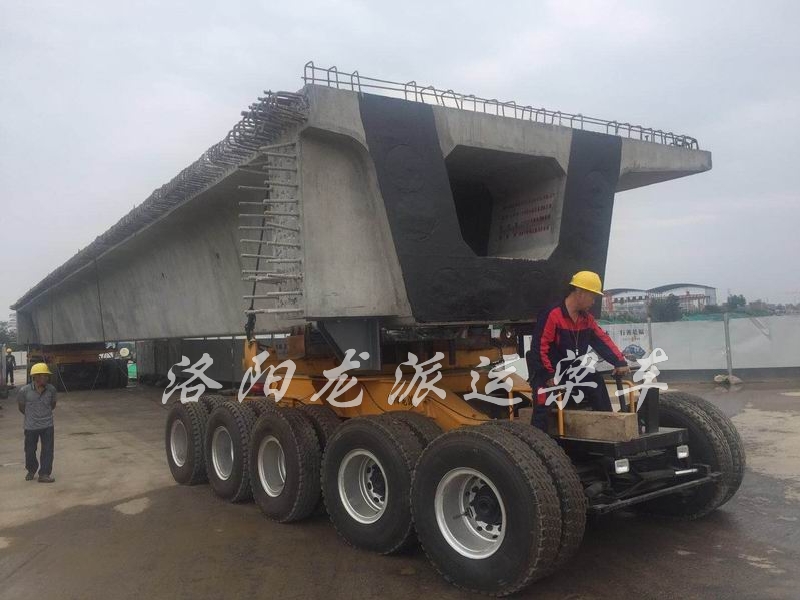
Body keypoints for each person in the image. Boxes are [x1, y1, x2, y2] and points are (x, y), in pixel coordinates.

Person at [528, 271, 630, 432]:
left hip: (571, 371)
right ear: (580, 292)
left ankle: (608, 428)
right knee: (543, 406)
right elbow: (539, 347)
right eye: (592, 296)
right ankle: (537, 440)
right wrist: (548, 375)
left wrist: (619, 361)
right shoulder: (553, 314)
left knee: (595, 380)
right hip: (547, 372)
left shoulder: (586, 319)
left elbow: (602, 340)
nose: (594, 302)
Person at [17, 363, 57, 483]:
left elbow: (52, 405)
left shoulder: (51, 390)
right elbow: (21, 407)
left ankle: (44, 474)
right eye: (44, 375)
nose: (46, 378)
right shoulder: (24, 391)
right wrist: (32, 416)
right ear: (36, 377)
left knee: (48, 450)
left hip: (47, 425)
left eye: (46, 375)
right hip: (31, 426)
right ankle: (31, 469)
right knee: (29, 451)